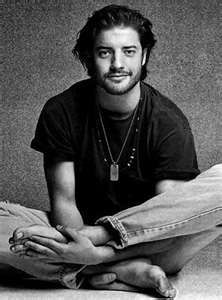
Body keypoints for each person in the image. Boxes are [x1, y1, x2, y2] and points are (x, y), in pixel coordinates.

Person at [1, 4, 221, 298]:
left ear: (143, 56)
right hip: (75, 231)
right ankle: (121, 273)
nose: (118, 63)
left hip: (155, 244)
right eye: (105, 52)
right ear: (90, 59)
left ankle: (94, 268)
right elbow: (63, 202)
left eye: (129, 51)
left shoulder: (169, 122)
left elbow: (167, 223)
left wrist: (98, 250)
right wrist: (78, 245)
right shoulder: (62, 110)